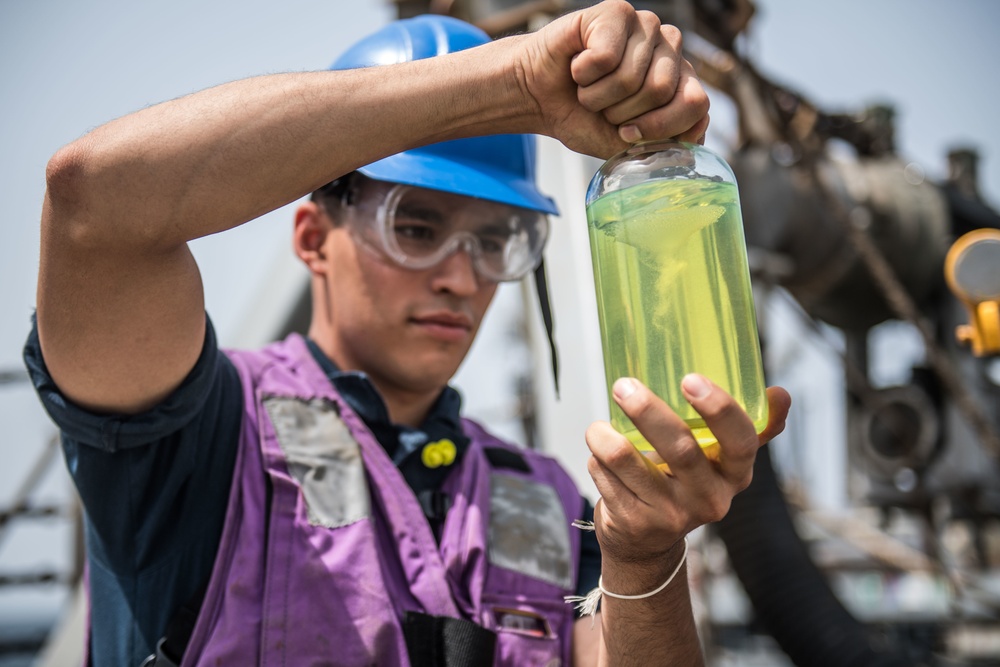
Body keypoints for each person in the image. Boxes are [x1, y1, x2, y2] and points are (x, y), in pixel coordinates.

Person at [25, 1, 790, 665]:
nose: (462, 275)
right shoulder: (199, 435)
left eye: (497, 239)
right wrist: (511, 86)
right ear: (312, 237)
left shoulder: (550, 498)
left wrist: (646, 555)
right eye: (415, 226)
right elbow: (94, 203)